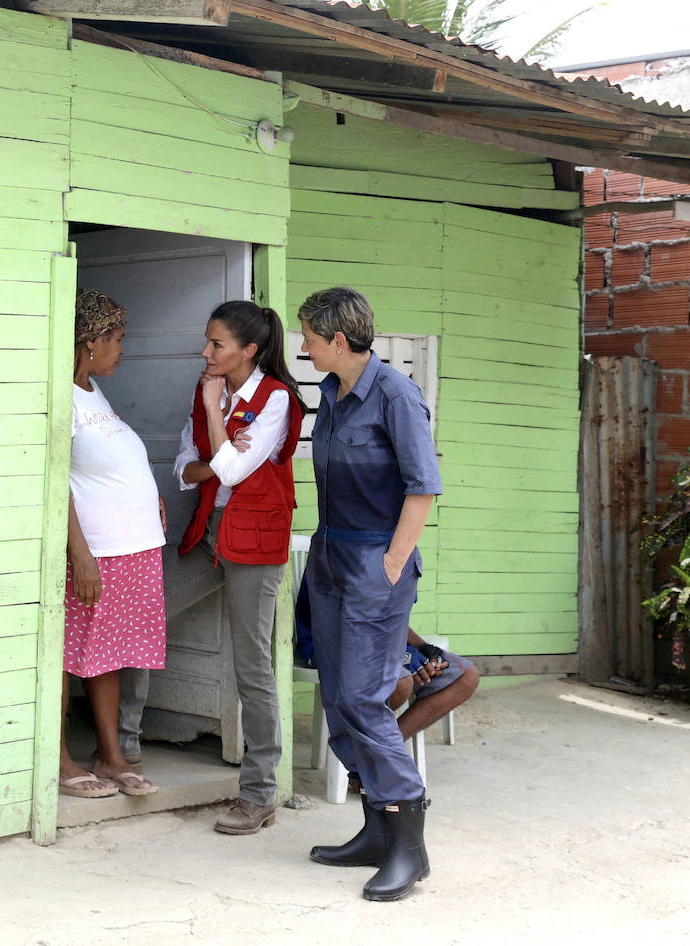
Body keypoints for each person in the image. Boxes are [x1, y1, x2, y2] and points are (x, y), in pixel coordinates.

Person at [296, 286, 443, 901]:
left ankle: (409, 841)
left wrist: (390, 565)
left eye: (308, 337)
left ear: (337, 340)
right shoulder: (331, 395)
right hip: (330, 561)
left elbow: (422, 488)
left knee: (364, 697)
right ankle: (376, 831)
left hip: (373, 567)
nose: (302, 347)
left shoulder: (395, 394)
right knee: (338, 696)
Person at [173, 300, 305, 834]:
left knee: (253, 666)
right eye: (208, 341)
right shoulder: (212, 386)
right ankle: (124, 752)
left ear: (250, 350)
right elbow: (188, 471)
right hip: (209, 534)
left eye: (217, 345)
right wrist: (215, 457)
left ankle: (259, 793)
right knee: (141, 615)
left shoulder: (275, 400)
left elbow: (228, 468)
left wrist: (212, 414)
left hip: (254, 540)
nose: (206, 352)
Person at [61, 289, 167, 799]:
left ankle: (109, 756)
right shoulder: (60, 393)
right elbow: (55, 483)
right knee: (67, 654)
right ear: (90, 341)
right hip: (96, 550)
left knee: (108, 656)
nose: (121, 350)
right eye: (116, 340)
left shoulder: (91, 390)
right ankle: (58, 759)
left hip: (133, 546)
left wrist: (150, 497)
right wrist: (78, 552)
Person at [294, 585, 479, 748]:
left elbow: (391, 618)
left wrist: (422, 648)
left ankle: (381, 752)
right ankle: (369, 758)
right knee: (400, 682)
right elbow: (344, 625)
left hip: (381, 644)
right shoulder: (346, 550)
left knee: (466, 676)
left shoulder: (402, 553)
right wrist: (401, 655)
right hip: (332, 646)